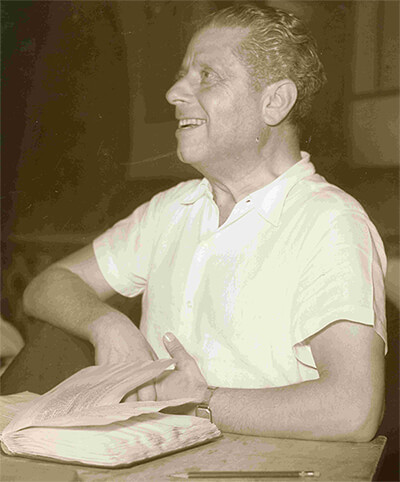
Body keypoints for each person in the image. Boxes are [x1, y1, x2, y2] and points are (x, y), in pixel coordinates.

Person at [22, 4, 387, 442]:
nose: (174, 92)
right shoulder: (172, 209)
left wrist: (200, 402)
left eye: (207, 76)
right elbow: (47, 285)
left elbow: (353, 410)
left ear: (274, 102)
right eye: (182, 76)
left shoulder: (330, 223)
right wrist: (107, 323)